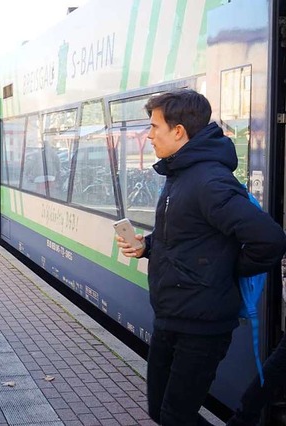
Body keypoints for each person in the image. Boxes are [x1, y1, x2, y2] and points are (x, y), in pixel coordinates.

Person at [117, 89, 286, 426]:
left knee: (175, 416)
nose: (148, 136)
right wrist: (148, 246)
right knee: (161, 412)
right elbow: (187, 236)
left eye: (154, 127)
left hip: (202, 325)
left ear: (178, 131)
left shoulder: (209, 180)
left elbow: (269, 240)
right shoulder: (180, 173)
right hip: (171, 315)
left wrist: (227, 269)